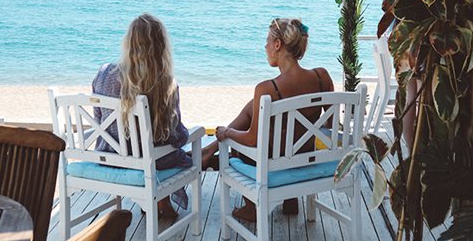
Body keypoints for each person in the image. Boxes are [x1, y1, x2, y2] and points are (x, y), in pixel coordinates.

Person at [202, 17, 334, 221]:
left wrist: (227, 133)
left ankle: (252, 207)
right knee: (253, 108)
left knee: (238, 142)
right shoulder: (321, 76)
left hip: (275, 163)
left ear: (278, 45)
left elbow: (251, 140)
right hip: (307, 154)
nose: (265, 47)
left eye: (267, 41)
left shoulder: (267, 89)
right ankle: (290, 200)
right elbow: (330, 125)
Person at [92, 13, 191, 220]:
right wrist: (185, 137)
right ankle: (160, 200)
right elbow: (175, 136)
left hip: (109, 158)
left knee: (160, 151)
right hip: (142, 163)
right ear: (160, 46)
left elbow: (99, 118)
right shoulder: (165, 83)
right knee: (181, 153)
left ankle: (156, 202)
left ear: (128, 42)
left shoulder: (103, 73)